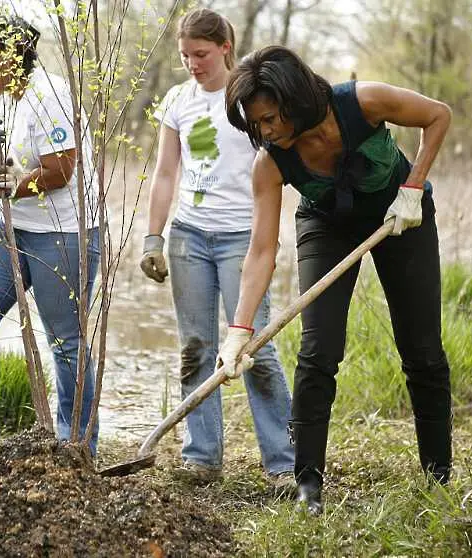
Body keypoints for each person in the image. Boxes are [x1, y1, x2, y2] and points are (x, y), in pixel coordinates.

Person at [223, 45, 452, 515]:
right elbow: (262, 250)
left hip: (400, 216)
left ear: (293, 100)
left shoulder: (363, 102)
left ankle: (438, 476)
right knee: (318, 351)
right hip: (326, 225)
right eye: (255, 124)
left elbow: (438, 115)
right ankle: (309, 485)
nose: (264, 133)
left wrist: (413, 190)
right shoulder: (269, 163)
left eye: (268, 119)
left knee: (423, 350)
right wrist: (238, 332)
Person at [141, 8, 294, 486]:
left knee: (254, 348)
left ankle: (285, 464)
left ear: (225, 48)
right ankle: (201, 457)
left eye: (201, 54)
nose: (193, 64)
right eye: (185, 55)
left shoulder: (247, 99)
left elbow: (274, 164)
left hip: (240, 240)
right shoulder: (177, 101)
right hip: (190, 236)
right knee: (195, 347)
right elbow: (166, 173)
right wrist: (154, 236)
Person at [0, 16, 100, 452]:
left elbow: (59, 172)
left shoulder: (49, 94)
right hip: (12, 226)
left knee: (64, 339)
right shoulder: (7, 101)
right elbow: (10, 163)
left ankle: (75, 444)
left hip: (62, 232)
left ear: (10, 57)